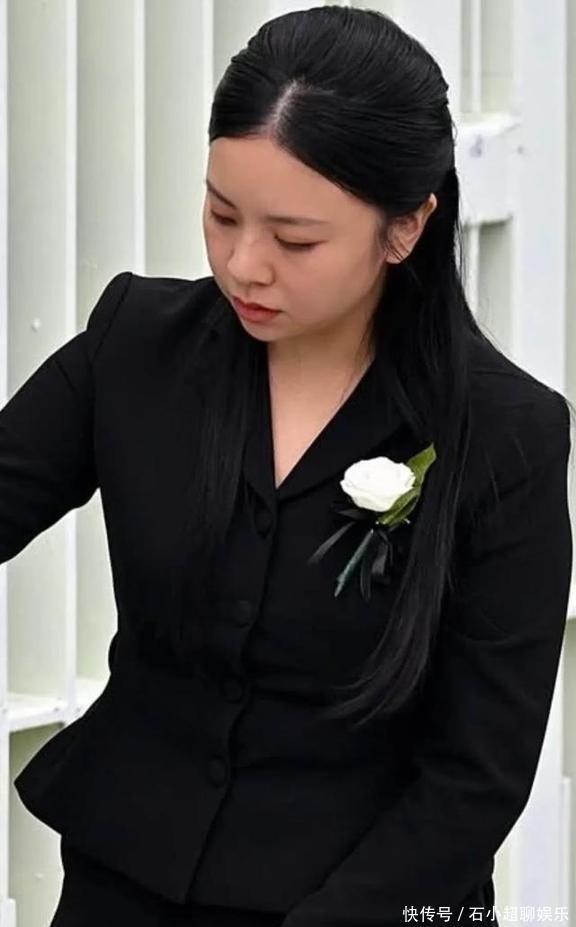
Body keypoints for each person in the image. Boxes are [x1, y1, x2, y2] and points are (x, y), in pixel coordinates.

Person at [4, 5, 573, 926]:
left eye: (295, 239)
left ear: (405, 227)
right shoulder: (137, 346)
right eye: (221, 214)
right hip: (125, 884)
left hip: (370, 901)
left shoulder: (506, 434)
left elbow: (477, 776)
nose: (243, 265)